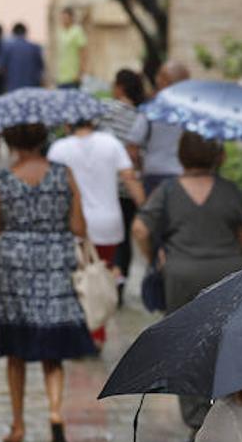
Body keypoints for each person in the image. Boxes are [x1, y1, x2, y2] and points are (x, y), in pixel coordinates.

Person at [132, 131, 242, 441]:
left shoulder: (168, 190)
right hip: (226, 274)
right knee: (224, 345)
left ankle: (197, 420)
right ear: (215, 154)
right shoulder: (229, 190)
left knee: (186, 346)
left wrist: (156, 258)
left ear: (181, 154)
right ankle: (227, 411)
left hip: (181, 275)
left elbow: (140, 228)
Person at [0, 122, 92, 442]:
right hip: (55, 262)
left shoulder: (3, 180)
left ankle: (18, 425)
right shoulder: (64, 175)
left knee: (15, 351)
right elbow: (78, 225)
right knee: (52, 351)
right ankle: (56, 412)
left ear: (13, 142)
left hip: (14, 265)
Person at [47, 116, 145, 336]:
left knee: (77, 279)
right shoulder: (111, 143)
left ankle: (82, 332)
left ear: (67, 124)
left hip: (73, 224)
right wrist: (147, 210)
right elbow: (129, 178)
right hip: (108, 223)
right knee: (100, 278)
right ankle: (97, 331)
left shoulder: (59, 148)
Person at [100, 68, 146, 294]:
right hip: (130, 187)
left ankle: (106, 281)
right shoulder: (141, 115)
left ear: (119, 87)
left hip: (107, 185)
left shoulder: (107, 109)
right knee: (124, 238)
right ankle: (120, 285)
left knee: (108, 236)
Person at [126, 61, 188, 196]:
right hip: (185, 178)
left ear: (164, 82)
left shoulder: (151, 110)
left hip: (154, 176)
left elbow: (132, 150)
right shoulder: (193, 113)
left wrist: (140, 168)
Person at [0, 23, 44, 93]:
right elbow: (41, 68)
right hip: (31, 88)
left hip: (12, 88)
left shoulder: (7, 47)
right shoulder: (35, 47)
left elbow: (0, 68)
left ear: (13, 33)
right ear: (25, 32)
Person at [55, 8, 88, 89]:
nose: (63, 20)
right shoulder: (61, 32)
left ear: (71, 18)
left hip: (73, 76)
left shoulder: (77, 31)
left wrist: (80, 73)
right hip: (61, 77)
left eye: (65, 18)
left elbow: (83, 53)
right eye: (62, 18)